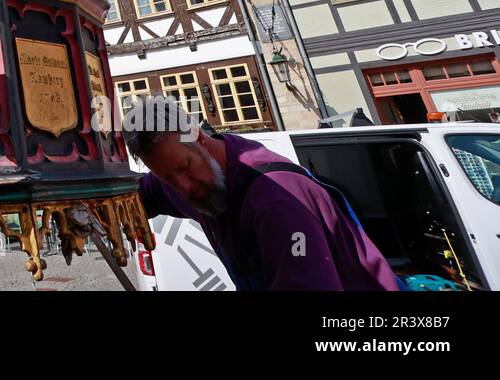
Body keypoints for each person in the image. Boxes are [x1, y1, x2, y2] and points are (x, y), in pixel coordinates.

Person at [123, 94, 399, 291]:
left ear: (199, 138)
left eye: (185, 168)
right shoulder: (191, 177)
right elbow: (134, 197)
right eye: (168, 177)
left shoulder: (274, 202)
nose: (183, 186)